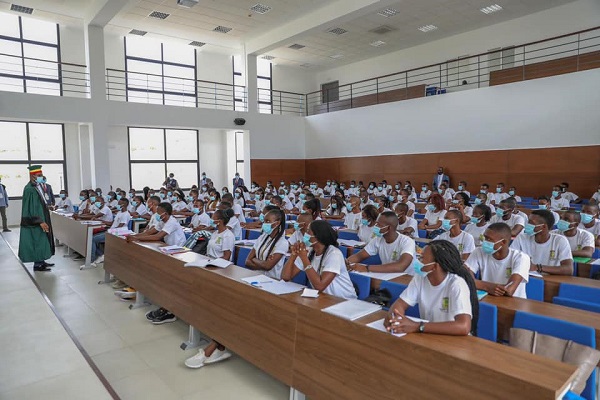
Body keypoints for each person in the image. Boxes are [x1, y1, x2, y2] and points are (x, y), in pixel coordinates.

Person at [385, 240, 478, 336]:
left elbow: (464, 326)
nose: (417, 261)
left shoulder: (456, 285)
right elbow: (400, 304)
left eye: (421, 259)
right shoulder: (420, 278)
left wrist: (418, 326)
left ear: (434, 267)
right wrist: (394, 318)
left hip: (453, 339)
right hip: (429, 334)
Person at [281, 220, 357, 299]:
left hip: (344, 300)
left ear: (318, 237)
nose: (305, 235)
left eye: (308, 232)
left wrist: (304, 258)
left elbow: (320, 286)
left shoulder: (334, 254)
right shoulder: (309, 250)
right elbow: (286, 277)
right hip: (324, 298)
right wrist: (293, 255)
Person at [465, 223, 529, 298]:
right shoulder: (479, 251)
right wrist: (488, 287)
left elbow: (509, 290)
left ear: (503, 242)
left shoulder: (521, 258)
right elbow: (465, 277)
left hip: (513, 303)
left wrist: (476, 283)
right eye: (485, 238)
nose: (485, 242)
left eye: (489, 239)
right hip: (488, 298)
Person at [347, 211, 416, 274]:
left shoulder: (407, 242)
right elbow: (359, 256)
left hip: (407, 277)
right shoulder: (378, 239)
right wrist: (345, 263)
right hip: (388, 274)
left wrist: (367, 268)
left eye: (379, 225)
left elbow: (400, 266)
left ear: (389, 228)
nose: (375, 226)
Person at [510, 209, 573, 276]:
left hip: (550, 279)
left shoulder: (560, 241)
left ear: (543, 227)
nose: (527, 225)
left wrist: (537, 267)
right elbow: (510, 259)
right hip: (525, 277)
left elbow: (568, 269)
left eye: (531, 223)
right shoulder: (521, 238)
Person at [18, 165, 55, 272]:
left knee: (43, 240)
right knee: (38, 241)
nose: (41, 177)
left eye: (41, 175)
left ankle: (41, 261)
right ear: (32, 176)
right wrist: (40, 221)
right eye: (39, 175)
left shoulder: (37, 186)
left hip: (42, 217)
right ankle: (38, 265)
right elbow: (32, 207)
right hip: (36, 221)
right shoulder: (30, 189)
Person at [245, 209, 289, 279]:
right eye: (264, 221)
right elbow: (247, 261)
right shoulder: (262, 237)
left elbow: (268, 267)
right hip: (256, 276)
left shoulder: (282, 243)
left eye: (268, 221)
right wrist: (263, 263)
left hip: (272, 280)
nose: (264, 224)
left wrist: (254, 259)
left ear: (277, 223)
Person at [91, 197, 131, 266]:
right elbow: (112, 223)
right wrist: (101, 221)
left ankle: (92, 259)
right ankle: (101, 255)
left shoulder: (126, 214)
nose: (117, 205)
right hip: (112, 231)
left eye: (119, 204)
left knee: (93, 239)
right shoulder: (119, 212)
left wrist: (109, 231)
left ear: (123, 205)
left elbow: (119, 227)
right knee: (92, 237)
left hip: (117, 233)